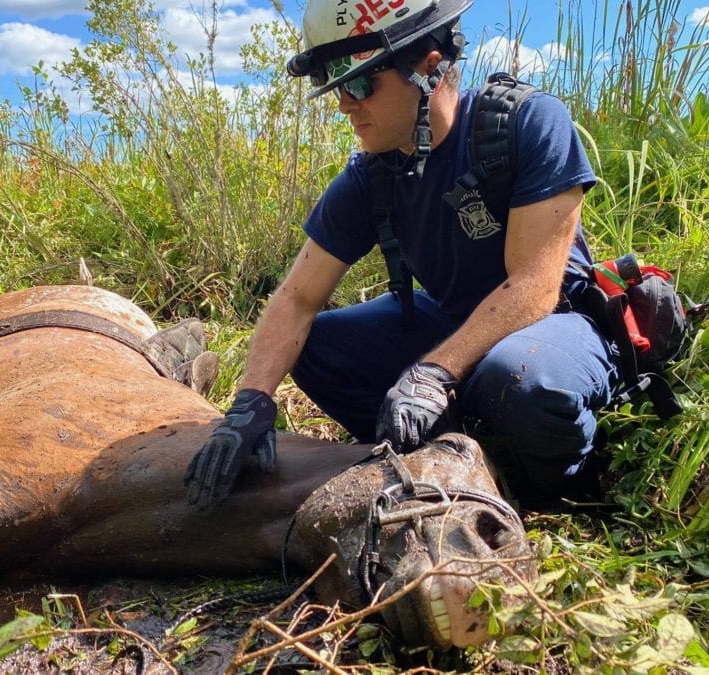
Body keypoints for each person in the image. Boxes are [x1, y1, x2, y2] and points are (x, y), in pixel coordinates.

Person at [183, 0, 617, 508]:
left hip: (550, 325)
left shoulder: (526, 124)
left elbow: (533, 289)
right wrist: (250, 402)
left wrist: (431, 373)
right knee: (316, 346)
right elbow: (298, 298)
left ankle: (561, 489)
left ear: (427, 67)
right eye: (336, 88)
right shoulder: (372, 176)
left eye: (361, 84)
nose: (345, 103)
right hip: (452, 321)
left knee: (520, 378)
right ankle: (449, 455)